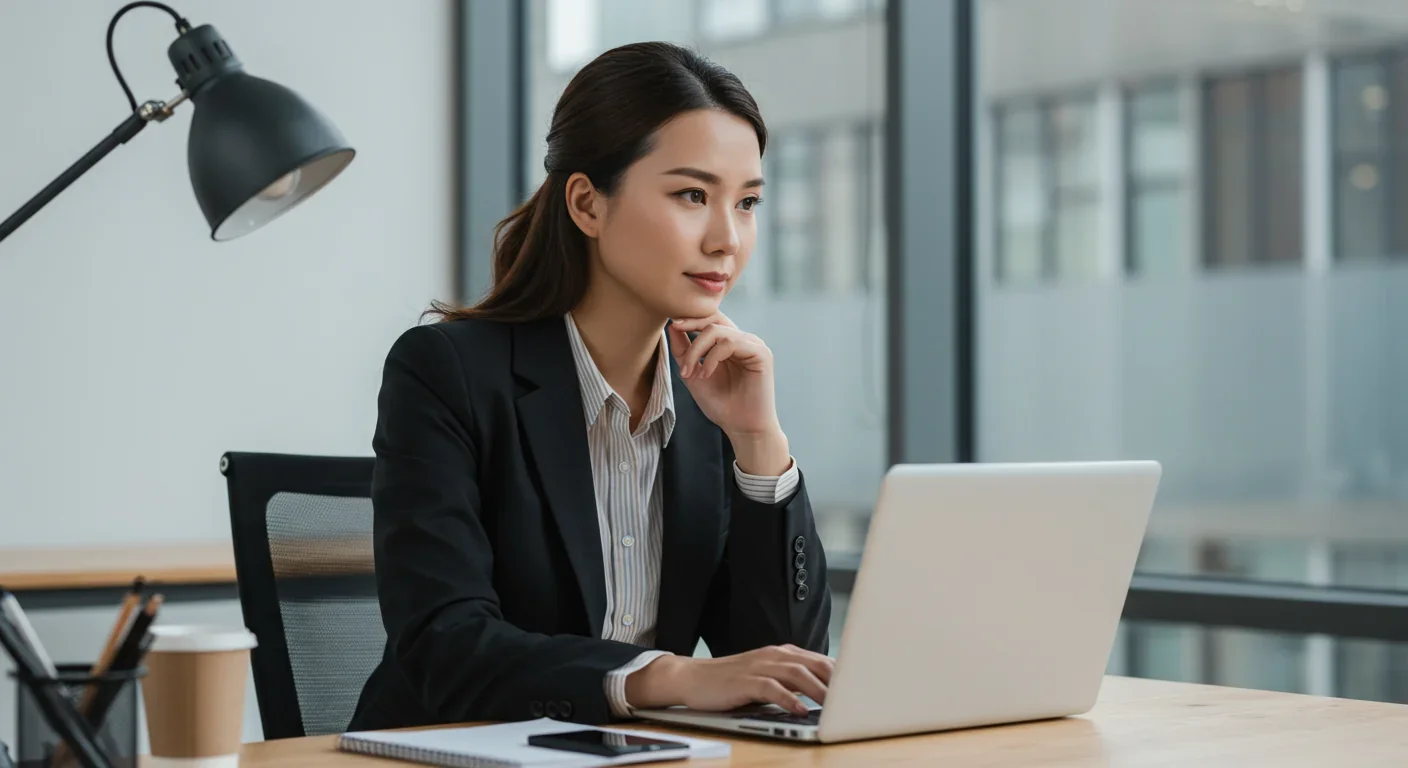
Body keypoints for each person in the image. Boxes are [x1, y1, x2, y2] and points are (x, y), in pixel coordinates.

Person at [349, 41, 833, 731]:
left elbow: (783, 666)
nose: (727, 238)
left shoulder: (709, 404)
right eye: (692, 194)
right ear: (587, 204)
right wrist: (665, 676)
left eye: (748, 202)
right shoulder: (448, 372)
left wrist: (760, 445)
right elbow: (445, 647)